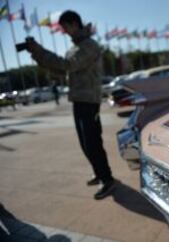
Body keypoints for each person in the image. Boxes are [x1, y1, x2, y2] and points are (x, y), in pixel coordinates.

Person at [25, 10, 115, 200]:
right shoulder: (75, 48)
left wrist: (39, 50)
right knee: (85, 143)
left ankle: (107, 179)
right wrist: (37, 55)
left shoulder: (89, 45)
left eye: (65, 27)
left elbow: (67, 65)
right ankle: (99, 173)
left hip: (89, 101)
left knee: (92, 143)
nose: (64, 31)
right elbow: (63, 70)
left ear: (74, 24)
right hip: (79, 100)